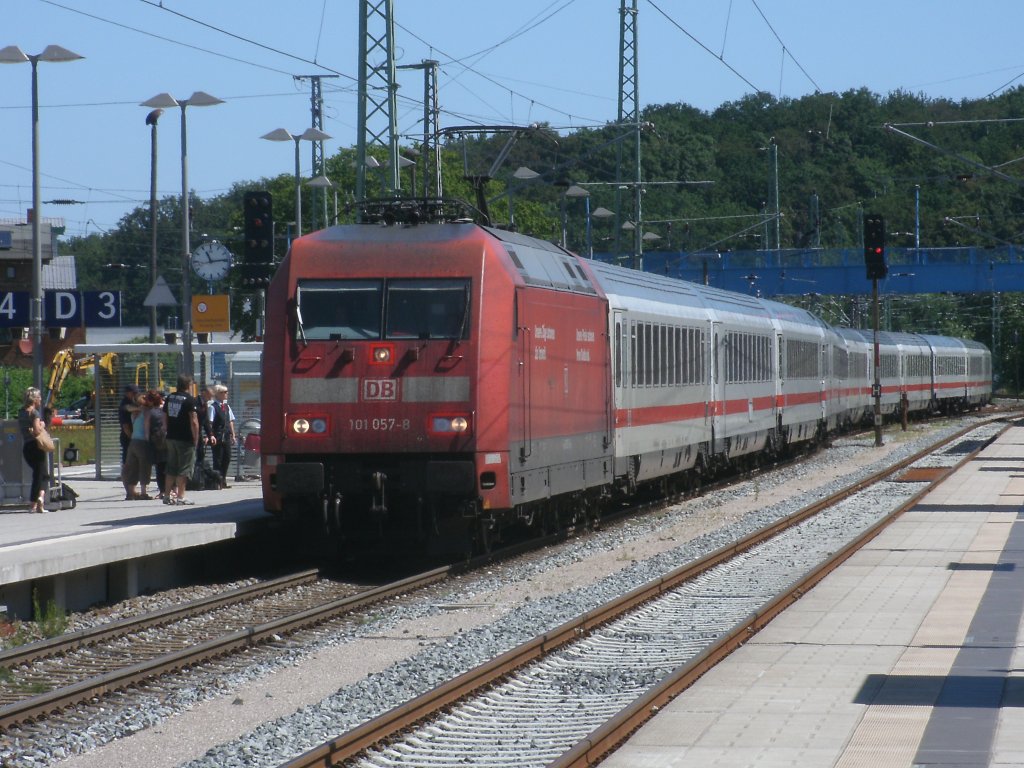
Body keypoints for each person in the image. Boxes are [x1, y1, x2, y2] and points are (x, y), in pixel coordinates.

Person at [162, 374, 199, 506]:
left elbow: (164, 416)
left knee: (171, 466)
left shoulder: (170, 398)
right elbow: (194, 421)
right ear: (188, 385)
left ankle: (166, 495)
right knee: (184, 468)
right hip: (185, 438)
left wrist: (166, 430)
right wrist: (196, 438)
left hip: (171, 436)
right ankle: (180, 496)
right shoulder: (189, 400)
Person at [18, 387, 48, 513]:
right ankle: (33, 504)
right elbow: (36, 431)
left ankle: (41, 498)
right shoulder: (35, 413)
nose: (41, 399)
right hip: (36, 446)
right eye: (39, 397)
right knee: (39, 475)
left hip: (26, 447)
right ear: (34, 399)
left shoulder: (21, 412)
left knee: (42, 474)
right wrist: (42, 425)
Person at [120, 391, 153, 500]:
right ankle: (143, 492)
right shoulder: (147, 412)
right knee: (144, 467)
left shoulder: (134, 412)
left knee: (132, 468)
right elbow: (147, 427)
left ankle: (130, 493)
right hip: (142, 441)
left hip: (133, 441)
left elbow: (128, 408)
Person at [209, 384, 236, 488]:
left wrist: (233, 434)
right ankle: (217, 481)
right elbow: (210, 423)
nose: (226, 394)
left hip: (226, 436)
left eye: (226, 392)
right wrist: (211, 435)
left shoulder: (227, 407)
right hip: (217, 437)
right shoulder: (213, 407)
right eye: (224, 392)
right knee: (218, 459)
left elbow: (230, 421)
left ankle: (223, 479)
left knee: (227, 457)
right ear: (218, 394)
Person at [147, 390, 169, 500]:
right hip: (167, 439)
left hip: (155, 441)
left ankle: (162, 491)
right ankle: (172, 490)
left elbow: (147, 428)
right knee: (168, 465)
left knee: (159, 467)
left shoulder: (150, 412)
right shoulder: (165, 409)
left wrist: (147, 441)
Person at [118, 383, 140, 464]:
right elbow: (125, 427)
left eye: (136, 392)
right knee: (127, 460)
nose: (136, 394)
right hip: (128, 437)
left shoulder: (134, 402)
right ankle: (125, 476)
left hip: (134, 436)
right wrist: (132, 438)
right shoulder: (125, 403)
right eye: (133, 393)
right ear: (127, 393)